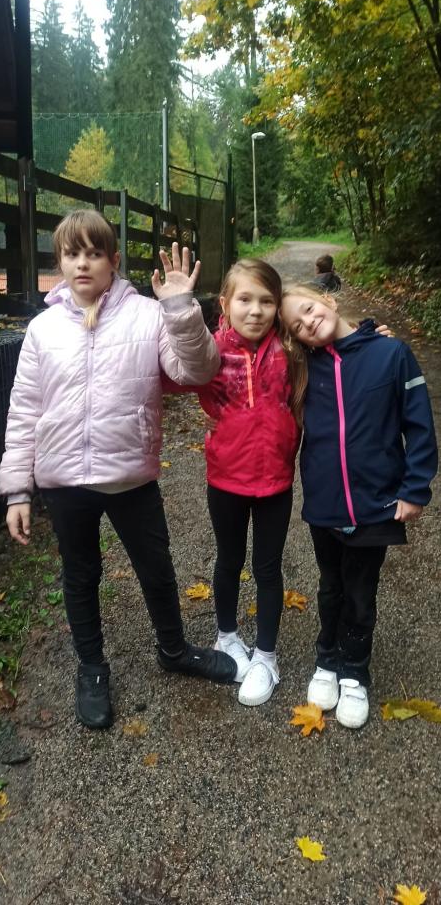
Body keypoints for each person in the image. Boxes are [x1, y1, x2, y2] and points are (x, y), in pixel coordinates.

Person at [0, 209, 237, 730]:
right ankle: (91, 668)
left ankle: (173, 650)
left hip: (130, 476)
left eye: (94, 253)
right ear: (60, 262)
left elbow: (197, 371)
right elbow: (24, 410)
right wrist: (17, 489)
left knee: (156, 568)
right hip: (64, 483)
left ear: (114, 260)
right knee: (80, 575)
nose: (82, 263)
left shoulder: (148, 316)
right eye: (72, 254)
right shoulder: (41, 330)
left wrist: (179, 308)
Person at [280, 284, 438, 728]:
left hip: (376, 504)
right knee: (330, 587)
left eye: (309, 309)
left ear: (328, 300)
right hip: (325, 505)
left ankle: (354, 671)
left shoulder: (392, 354)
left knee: (360, 592)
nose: (309, 322)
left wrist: (415, 489)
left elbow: (419, 425)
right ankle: (326, 660)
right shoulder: (303, 367)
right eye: (297, 325)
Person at [163, 259, 301, 706]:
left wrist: (370, 336)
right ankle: (226, 637)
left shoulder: (291, 349)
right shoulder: (210, 351)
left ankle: (266, 656)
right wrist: (176, 309)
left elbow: (336, 347)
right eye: (245, 299)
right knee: (228, 560)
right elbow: (167, 371)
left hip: (276, 482)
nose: (255, 310)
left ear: (277, 307)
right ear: (224, 304)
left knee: (267, 568)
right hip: (225, 479)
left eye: (266, 301)